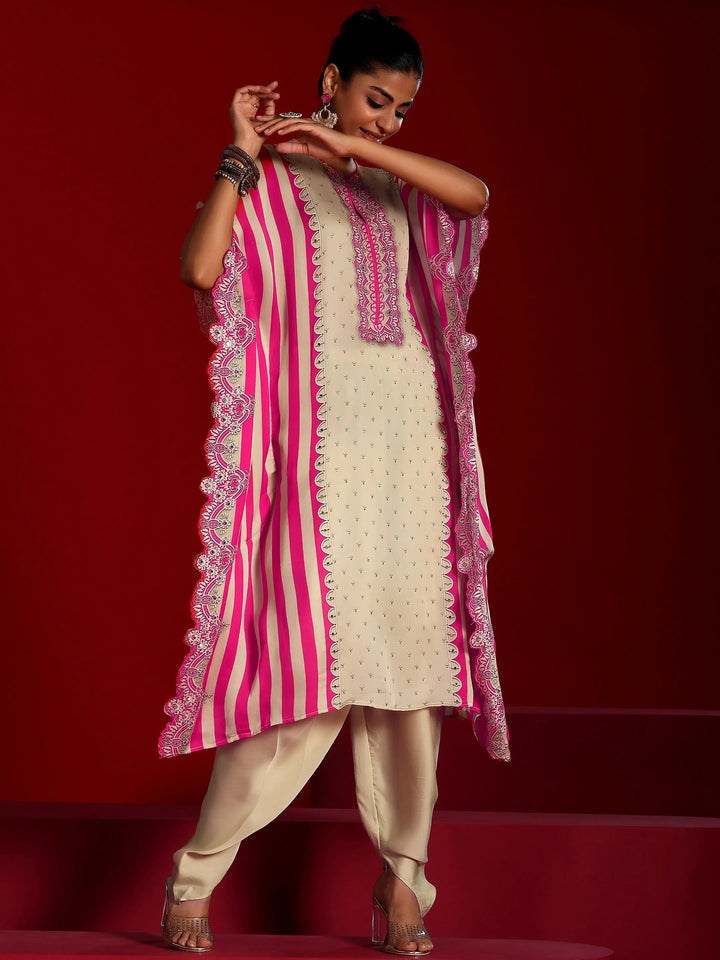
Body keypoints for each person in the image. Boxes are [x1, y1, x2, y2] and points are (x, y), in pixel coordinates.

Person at [158, 7, 509, 955]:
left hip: (409, 455)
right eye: (373, 99)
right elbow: (200, 265)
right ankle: (196, 875)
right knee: (303, 672)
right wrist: (242, 151)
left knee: (414, 675)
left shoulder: (397, 181)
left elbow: (476, 196)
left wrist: (363, 149)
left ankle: (404, 883)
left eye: (401, 109)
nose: (386, 121)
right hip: (318, 458)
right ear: (330, 80)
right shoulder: (271, 175)